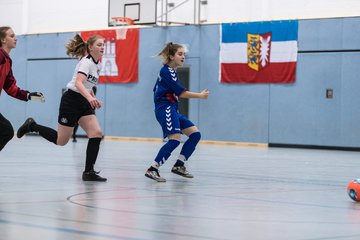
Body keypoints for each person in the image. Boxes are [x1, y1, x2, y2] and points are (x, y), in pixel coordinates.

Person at [17, 34, 107, 182]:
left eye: (103, 44)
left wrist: (92, 98)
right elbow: (78, 83)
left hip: (84, 102)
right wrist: (90, 98)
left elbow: (87, 85)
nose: (102, 47)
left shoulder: (98, 65)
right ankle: (32, 126)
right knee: (61, 140)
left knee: (96, 133)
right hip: (71, 101)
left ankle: (88, 172)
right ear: (90, 47)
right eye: (99, 44)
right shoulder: (86, 63)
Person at [145, 42, 209, 182]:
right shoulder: (166, 71)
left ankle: (179, 165)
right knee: (174, 140)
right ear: (171, 56)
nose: (183, 57)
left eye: (184, 54)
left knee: (195, 134)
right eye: (180, 54)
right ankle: (153, 169)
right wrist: (200, 95)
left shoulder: (172, 72)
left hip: (172, 108)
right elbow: (182, 93)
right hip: (165, 108)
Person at [0, 26, 44, 152]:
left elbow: (10, 88)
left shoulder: (7, 60)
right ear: (3, 39)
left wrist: (28, 95)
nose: (16, 38)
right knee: (7, 131)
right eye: (12, 36)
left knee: (6, 131)